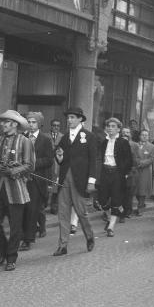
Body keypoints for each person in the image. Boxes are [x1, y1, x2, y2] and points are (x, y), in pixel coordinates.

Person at [0, 110, 35, 271]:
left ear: (14, 124)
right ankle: (3, 251)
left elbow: (29, 165)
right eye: (2, 122)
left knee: (15, 226)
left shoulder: (25, 141)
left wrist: (13, 171)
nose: (3, 125)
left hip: (16, 189)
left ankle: (11, 258)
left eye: (6, 122)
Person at [52, 107, 97, 257]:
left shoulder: (89, 137)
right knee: (63, 213)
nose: (69, 120)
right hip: (65, 178)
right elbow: (61, 158)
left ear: (80, 119)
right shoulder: (64, 138)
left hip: (80, 180)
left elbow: (93, 161)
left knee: (81, 212)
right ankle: (62, 245)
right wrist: (59, 157)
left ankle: (89, 236)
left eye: (72, 117)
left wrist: (91, 181)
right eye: (68, 117)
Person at [19, 112, 54, 250]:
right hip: (22, 179)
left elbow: (49, 160)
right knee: (22, 208)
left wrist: (32, 164)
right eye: (29, 122)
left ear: (39, 124)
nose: (31, 124)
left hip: (37, 180)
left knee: (32, 210)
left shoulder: (45, 139)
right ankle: (22, 235)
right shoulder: (22, 137)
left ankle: (28, 239)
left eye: (34, 122)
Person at [96, 117, 133, 237]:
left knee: (116, 199)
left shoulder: (123, 142)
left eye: (113, 127)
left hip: (117, 173)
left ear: (118, 129)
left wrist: (124, 173)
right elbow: (99, 158)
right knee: (102, 200)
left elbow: (129, 160)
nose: (110, 129)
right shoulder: (104, 142)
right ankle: (108, 217)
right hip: (105, 172)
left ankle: (111, 227)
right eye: (108, 126)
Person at [133, 128, 154, 216]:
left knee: (142, 189)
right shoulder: (135, 145)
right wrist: (136, 163)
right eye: (142, 135)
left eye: (146, 135)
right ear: (139, 136)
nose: (144, 136)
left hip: (145, 170)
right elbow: (133, 156)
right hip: (135, 169)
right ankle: (141, 204)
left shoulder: (153, 147)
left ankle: (140, 207)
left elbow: (152, 158)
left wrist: (141, 163)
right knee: (135, 188)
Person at [120, 126, 139, 222]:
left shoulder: (134, 147)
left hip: (129, 174)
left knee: (128, 194)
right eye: (123, 132)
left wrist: (130, 171)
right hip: (118, 174)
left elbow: (136, 161)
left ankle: (126, 212)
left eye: (127, 132)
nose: (125, 134)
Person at [48, 118, 63, 214]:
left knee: (56, 185)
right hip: (48, 163)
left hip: (58, 163)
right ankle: (45, 204)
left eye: (58, 126)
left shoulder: (62, 136)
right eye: (54, 125)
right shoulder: (45, 136)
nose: (56, 127)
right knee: (47, 183)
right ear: (51, 126)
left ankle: (54, 206)